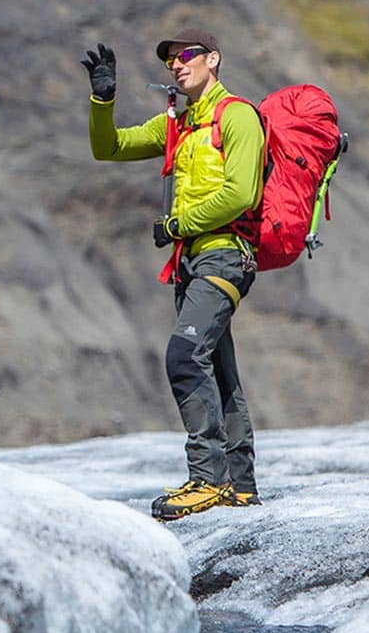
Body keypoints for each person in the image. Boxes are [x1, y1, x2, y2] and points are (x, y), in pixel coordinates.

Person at [81, 32, 266, 518]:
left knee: (185, 355)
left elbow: (241, 193)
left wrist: (178, 224)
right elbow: (111, 148)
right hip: (190, 262)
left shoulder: (238, 116)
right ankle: (240, 485)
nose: (175, 65)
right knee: (218, 369)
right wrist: (104, 100)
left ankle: (207, 479)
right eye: (169, 61)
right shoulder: (179, 125)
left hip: (225, 255)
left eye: (185, 56)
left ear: (213, 60)